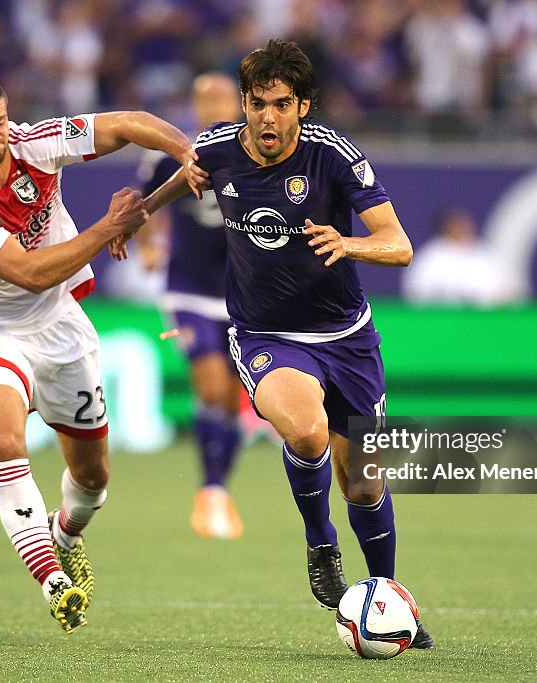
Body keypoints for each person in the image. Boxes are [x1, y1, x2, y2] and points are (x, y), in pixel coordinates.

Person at [129, 39, 434, 648]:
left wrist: (349, 244)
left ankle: (389, 598)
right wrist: (137, 216)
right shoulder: (217, 149)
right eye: (257, 103)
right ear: (244, 103)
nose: (267, 117)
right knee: (305, 430)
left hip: (347, 337)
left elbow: (398, 245)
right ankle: (321, 542)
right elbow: (179, 180)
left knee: (366, 482)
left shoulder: (337, 159)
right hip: (266, 333)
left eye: (282, 104)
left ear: (304, 107)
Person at [0, 71, 206, 633]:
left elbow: (128, 124)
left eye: (0, 121)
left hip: (60, 329)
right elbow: (29, 273)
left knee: (94, 478)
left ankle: (65, 533)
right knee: (4, 440)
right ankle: (54, 580)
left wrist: (186, 150)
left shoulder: (36, 143)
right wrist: (110, 226)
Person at [136, 72, 246, 539]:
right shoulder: (174, 153)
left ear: (240, 104)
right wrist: (146, 246)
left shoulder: (257, 153)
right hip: (187, 291)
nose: (213, 105)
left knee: (230, 400)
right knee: (210, 383)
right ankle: (211, 491)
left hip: (244, 298)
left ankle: (217, 488)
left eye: (222, 97)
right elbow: (141, 205)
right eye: (204, 99)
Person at [402, 206, 507, 306]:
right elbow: (416, 293)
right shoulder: (430, 258)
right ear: (446, 227)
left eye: (465, 224)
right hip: (441, 320)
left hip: (483, 320)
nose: (464, 228)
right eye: (458, 225)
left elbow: (503, 291)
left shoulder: (483, 254)